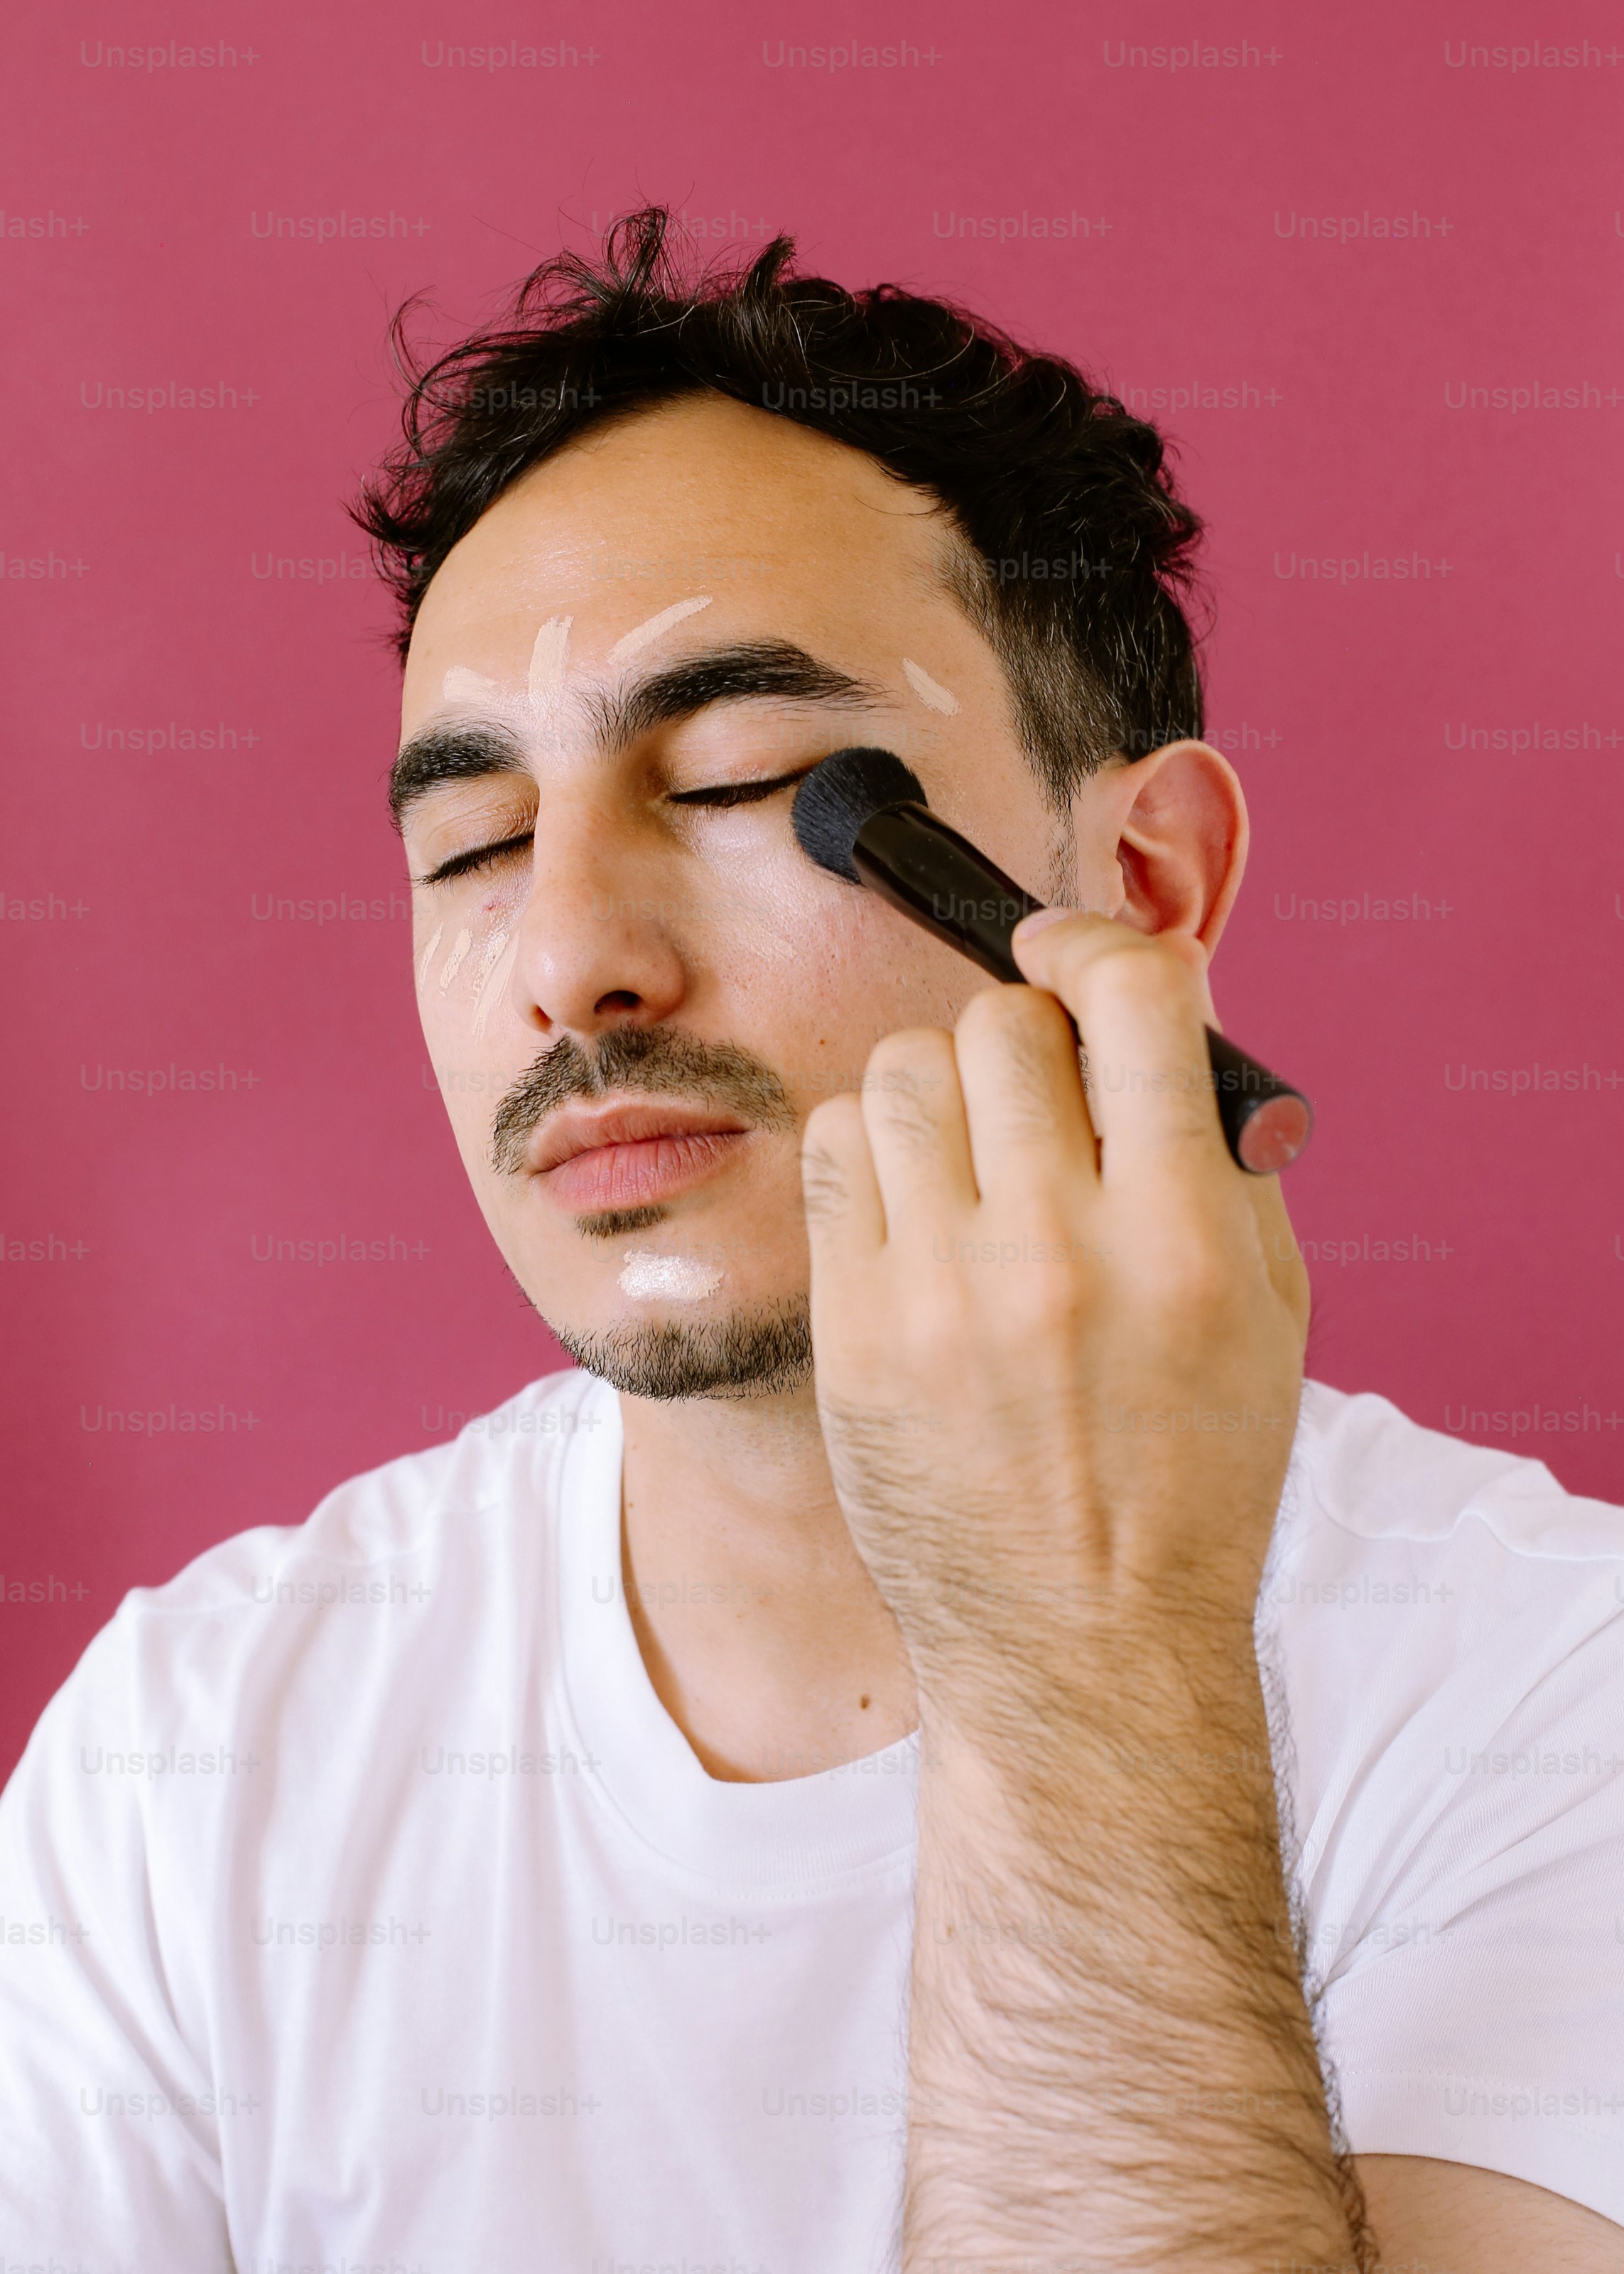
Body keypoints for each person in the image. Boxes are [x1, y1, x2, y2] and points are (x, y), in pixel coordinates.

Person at [1, 208, 1620, 2271]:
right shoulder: (198, 1750)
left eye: (751, 776)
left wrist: (1076, 1662)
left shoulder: (1566, 1699)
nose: (572, 958)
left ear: (1139, 882)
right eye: (475, 847)